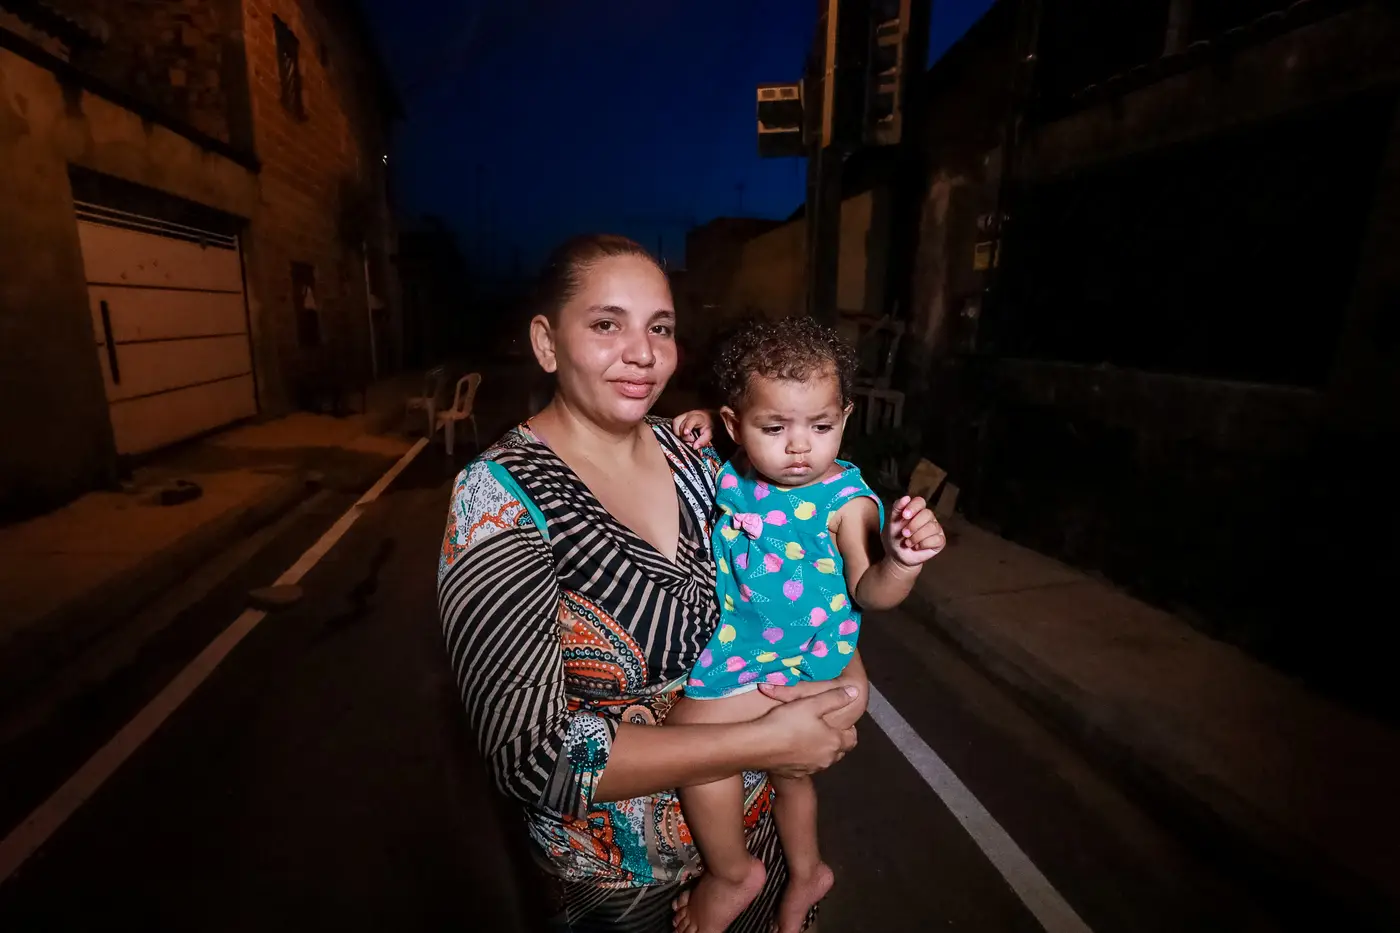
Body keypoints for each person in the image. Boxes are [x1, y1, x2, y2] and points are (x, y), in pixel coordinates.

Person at [438, 235, 868, 932]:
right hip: (622, 889)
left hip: (759, 840)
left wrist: (838, 690)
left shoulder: (698, 459)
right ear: (547, 342)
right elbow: (533, 757)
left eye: (659, 327)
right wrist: (771, 740)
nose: (642, 352)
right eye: (607, 324)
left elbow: (797, 583)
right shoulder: (496, 501)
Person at [665, 318, 946, 933]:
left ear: (845, 418)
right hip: (741, 648)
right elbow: (721, 431)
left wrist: (901, 563)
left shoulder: (845, 500)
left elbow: (870, 592)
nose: (800, 447)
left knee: (693, 741)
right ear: (737, 425)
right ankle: (810, 870)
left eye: (821, 427)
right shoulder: (734, 466)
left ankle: (734, 873)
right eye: (775, 427)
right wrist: (708, 424)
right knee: (789, 777)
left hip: (803, 663)